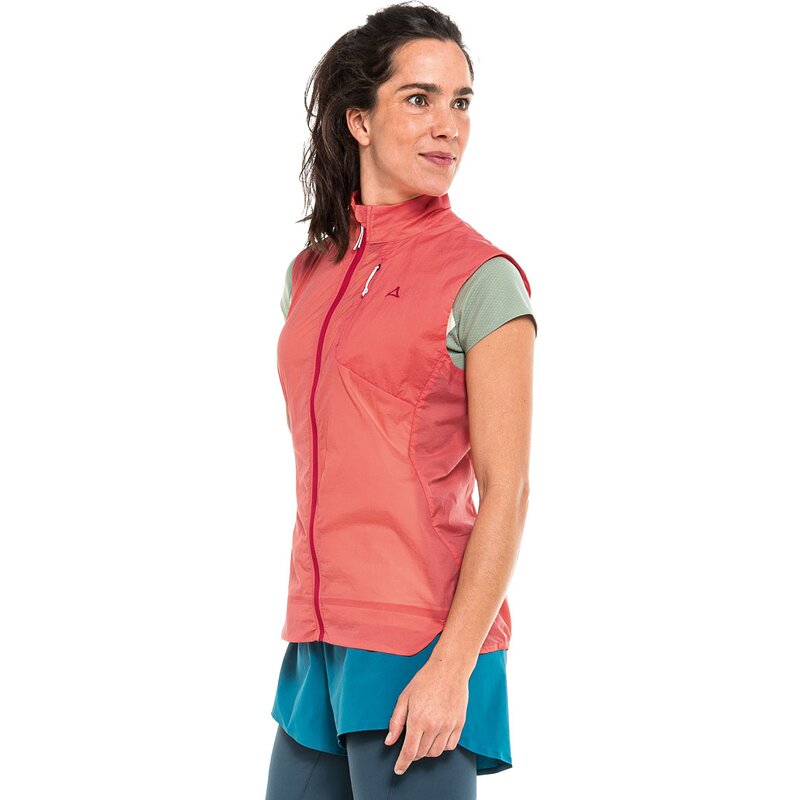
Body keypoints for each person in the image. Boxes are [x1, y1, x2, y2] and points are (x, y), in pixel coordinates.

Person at [265, 3, 537, 798]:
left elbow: (509, 491)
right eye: (419, 99)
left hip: (418, 642)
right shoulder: (309, 276)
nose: (448, 126)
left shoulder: (483, 280)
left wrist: (453, 667)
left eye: (461, 102)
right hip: (315, 640)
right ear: (358, 119)